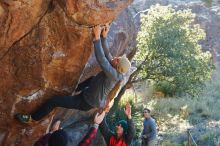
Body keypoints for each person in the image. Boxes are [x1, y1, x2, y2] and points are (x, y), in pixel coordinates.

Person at [15, 24, 131, 123]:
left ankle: (32, 118)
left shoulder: (113, 75)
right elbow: (107, 54)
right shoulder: (115, 68)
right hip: (90, 92)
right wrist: (103, 37)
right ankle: (73, 89)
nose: (116, 57)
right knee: (93, 79)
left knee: (54, 101)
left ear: (117, 65)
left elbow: (102, 59)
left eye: (118, 59)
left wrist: (96, 38)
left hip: (85, 102)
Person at [34, 111, 106, 146]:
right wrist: (96, 124)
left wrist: (52, 132)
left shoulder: (39, 144)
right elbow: (85, 142)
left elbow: (41, 142)